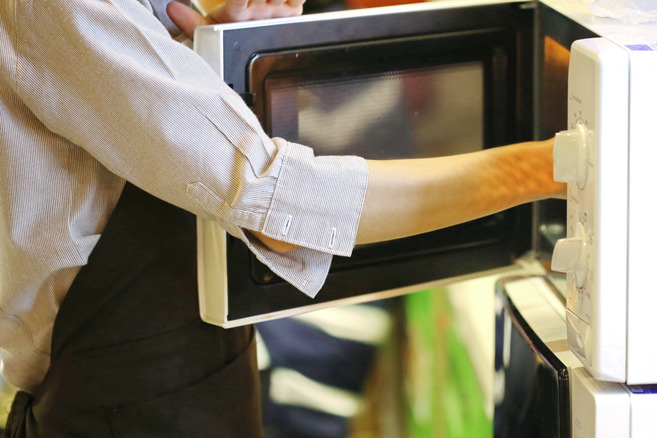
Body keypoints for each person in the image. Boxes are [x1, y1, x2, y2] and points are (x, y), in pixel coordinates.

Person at [0, 0, 564, 436]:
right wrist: (545, 167)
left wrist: (212, 45)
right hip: (121, 403)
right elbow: (278, 199)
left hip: (185, 376)